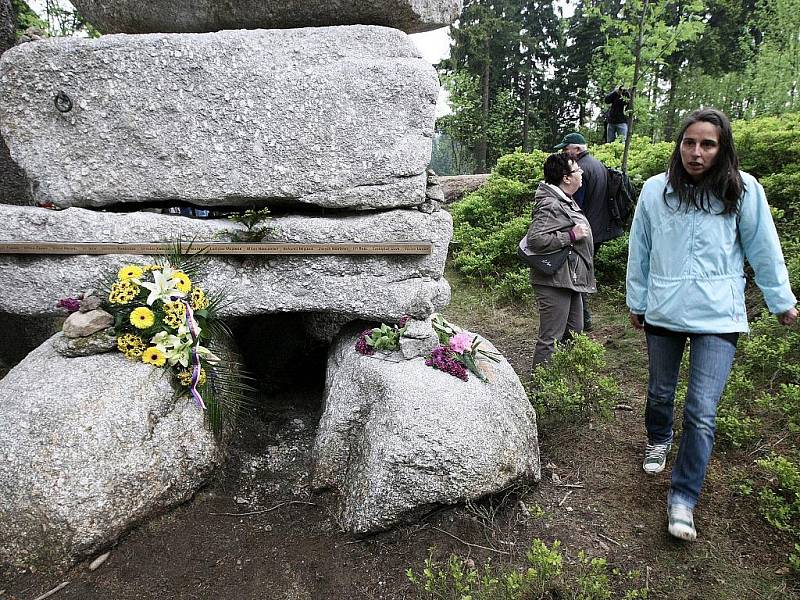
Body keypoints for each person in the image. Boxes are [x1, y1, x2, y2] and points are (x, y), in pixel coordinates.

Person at [626, 108, 798, 542]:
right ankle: (658, 437)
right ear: (678, 144)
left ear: (722, 150)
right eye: (689, 142)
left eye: (707, 144)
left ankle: (683, 499)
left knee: (701, 411)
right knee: (660, 391)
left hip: (719, 315)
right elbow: (640, 249)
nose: (696, 153)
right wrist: (638, 300)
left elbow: (764, 248)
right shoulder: (655, 190)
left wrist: (781, 301)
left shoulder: (743, 190)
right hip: (664, 308)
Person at [527, 153, 596, 366]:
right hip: (553, 279)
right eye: (577, 170)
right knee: (551, 337)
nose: (582, 172)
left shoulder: (563, 199)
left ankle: (561, 381)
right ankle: (540, 390)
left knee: (574, 331)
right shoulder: (550, 203)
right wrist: (571, 236)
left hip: (568, 278)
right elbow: (536, 239)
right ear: (566, 177)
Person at [554, 132, 623, 330]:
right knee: (581, 273)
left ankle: (582, 322)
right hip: (599, 228)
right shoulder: (598, 164)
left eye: (566, 149)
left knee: (576, 275)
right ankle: (581, 321)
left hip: (586, 230)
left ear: (577, 149)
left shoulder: (580, 170)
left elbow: (575, 203)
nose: (564, 153)